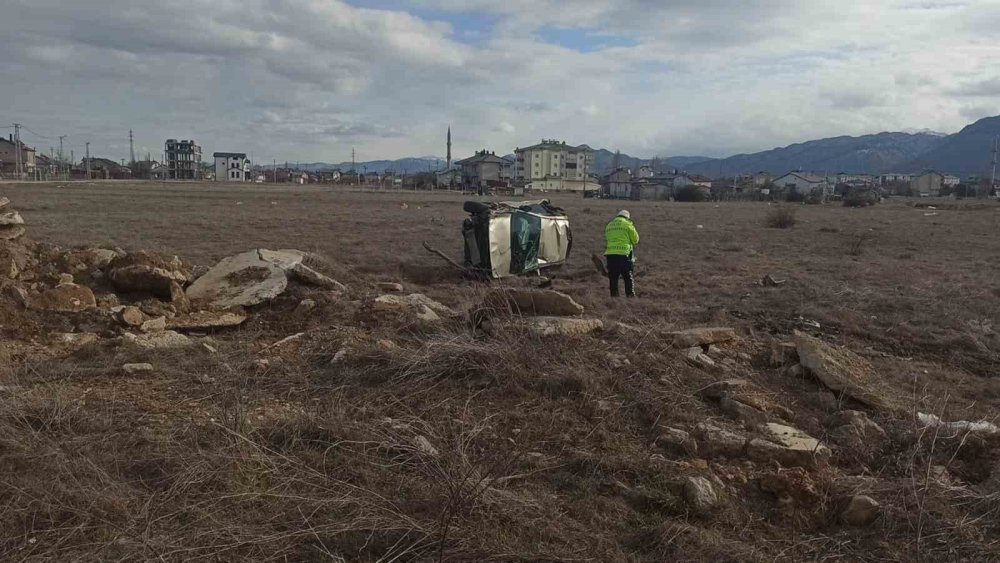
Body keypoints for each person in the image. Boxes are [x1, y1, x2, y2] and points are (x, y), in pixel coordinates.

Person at [604, 209, 639, 297]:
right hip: (624, 254)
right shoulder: (627, 224)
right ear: (627, 218)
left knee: (613, 278)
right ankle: (630, 296)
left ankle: (614, 298)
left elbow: (607, 238)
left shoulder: (609, 225)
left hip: (610, 255)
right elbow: (635, 240)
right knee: (628, 277)